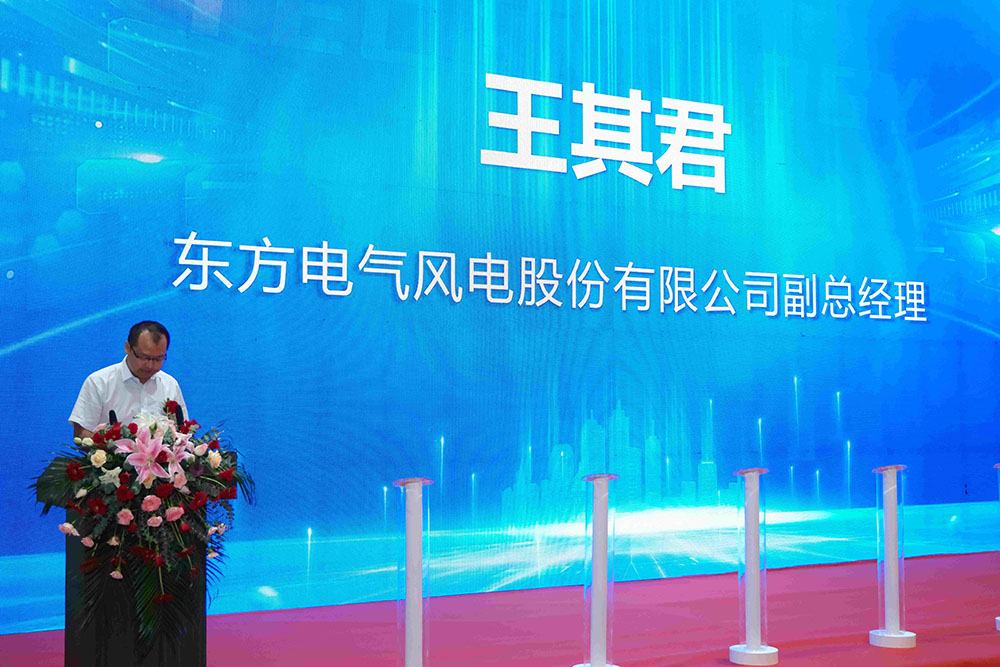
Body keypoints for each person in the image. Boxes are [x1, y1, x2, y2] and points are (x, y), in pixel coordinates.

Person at [69, 321, 187, 439]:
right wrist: (110, 448)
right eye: (144, 357)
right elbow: (81, 431)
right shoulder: (99, 382)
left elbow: (183, 430)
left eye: (158, 359)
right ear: (128, 348)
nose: (150, 365)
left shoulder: (170, 384)